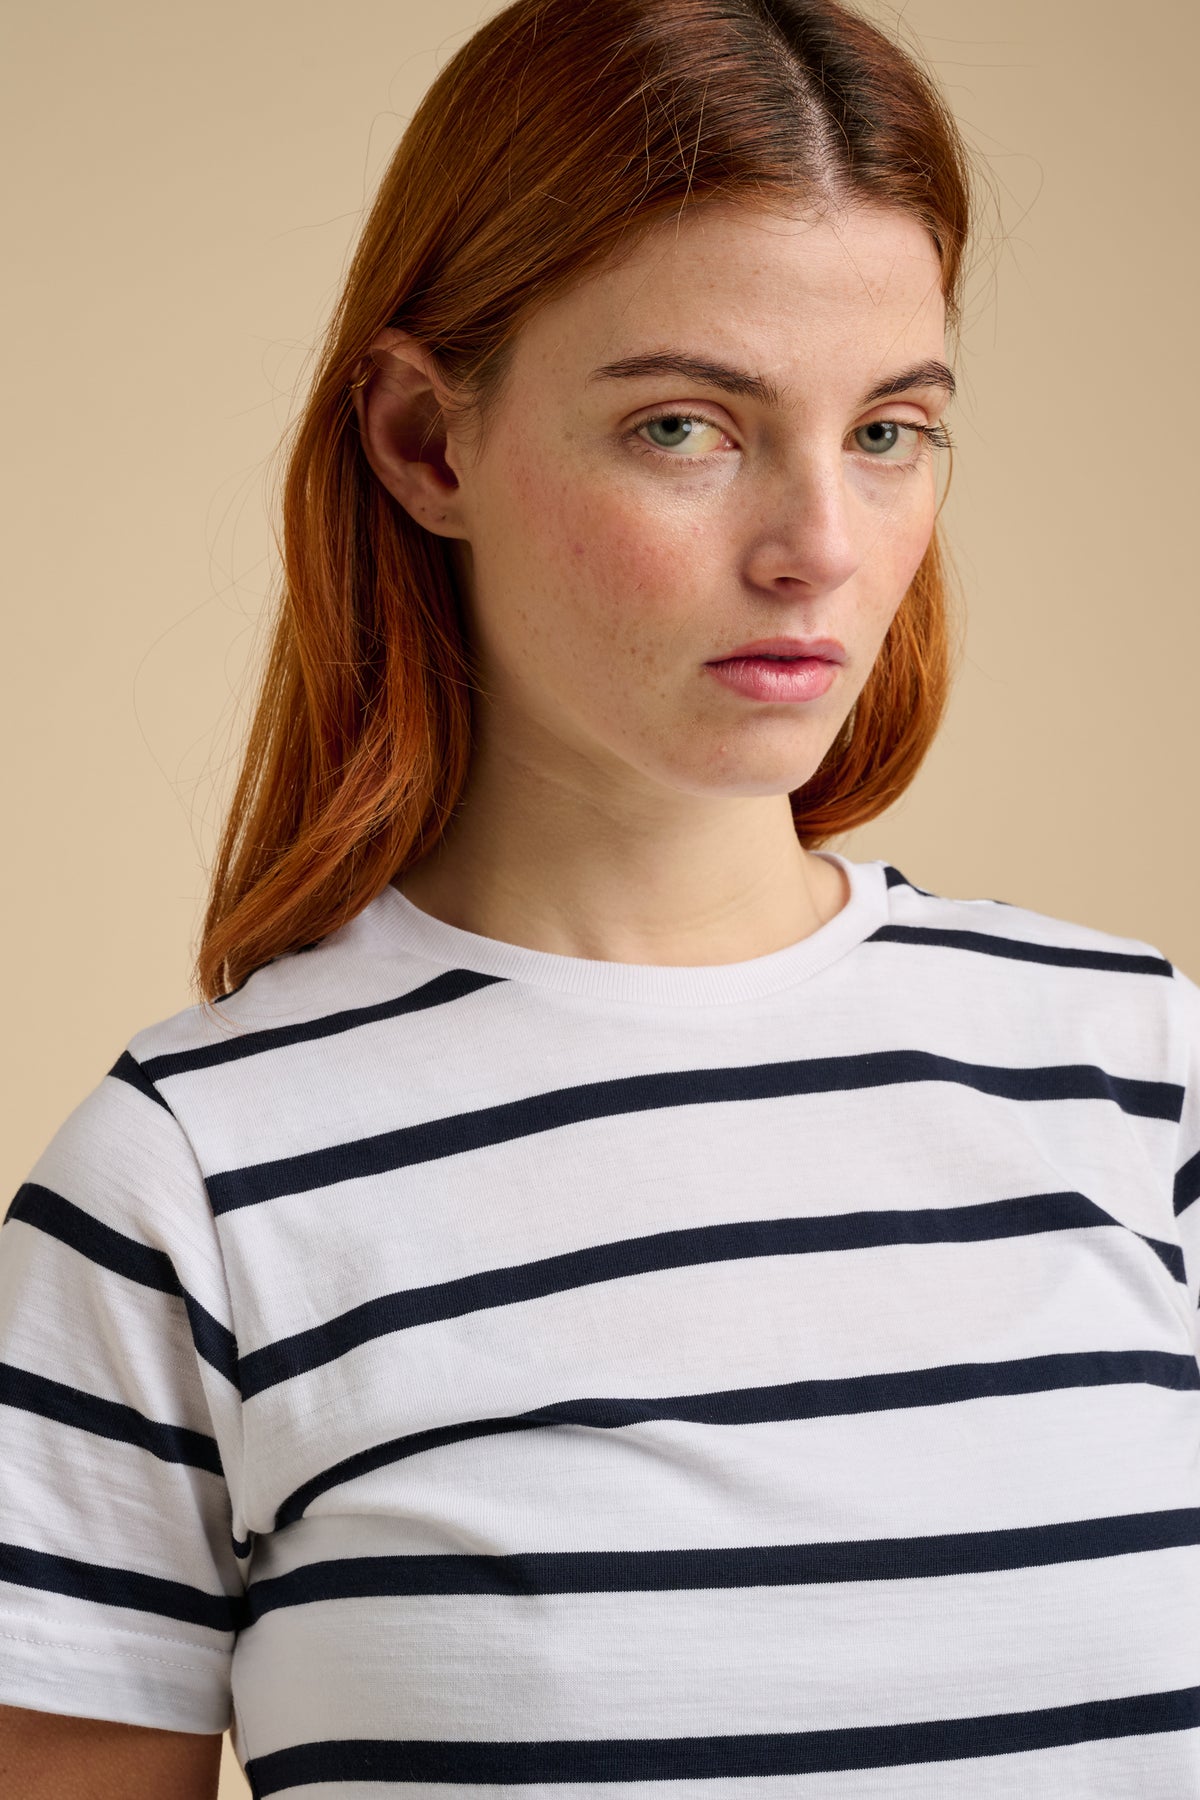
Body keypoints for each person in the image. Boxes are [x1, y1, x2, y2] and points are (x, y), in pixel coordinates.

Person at [3, 0, 1200, 1793]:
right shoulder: (186, 1192)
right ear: (426, 444)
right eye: (685, 428)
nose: (820, 545)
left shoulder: (1140, 1075)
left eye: (887, 431)